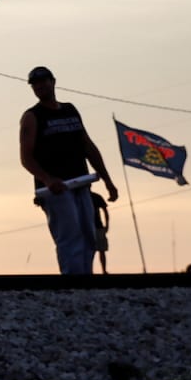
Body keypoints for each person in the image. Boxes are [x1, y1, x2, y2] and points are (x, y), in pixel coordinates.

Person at [18, 65, 118, 276]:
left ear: (53, 82)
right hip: (57, 189)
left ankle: (85, 280)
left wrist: (108, 180)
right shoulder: (32, 117)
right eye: (36, 84)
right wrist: (47, 179)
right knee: (69, 236)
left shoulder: (70, 110)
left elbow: (88, 146)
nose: (40, 86)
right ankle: (73, 281)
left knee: (88, 236)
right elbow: (26, 157)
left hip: (81, 183)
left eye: (44, 81)